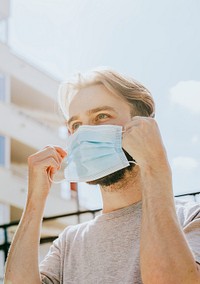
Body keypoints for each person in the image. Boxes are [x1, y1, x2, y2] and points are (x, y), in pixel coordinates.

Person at [4, 68, 200, 284]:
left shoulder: (192, 218)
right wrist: (35, 200)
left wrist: (156, 166)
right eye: (76, 125)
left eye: (101, 116)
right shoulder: (69, 242)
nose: (84, 134)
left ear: (143, 124)